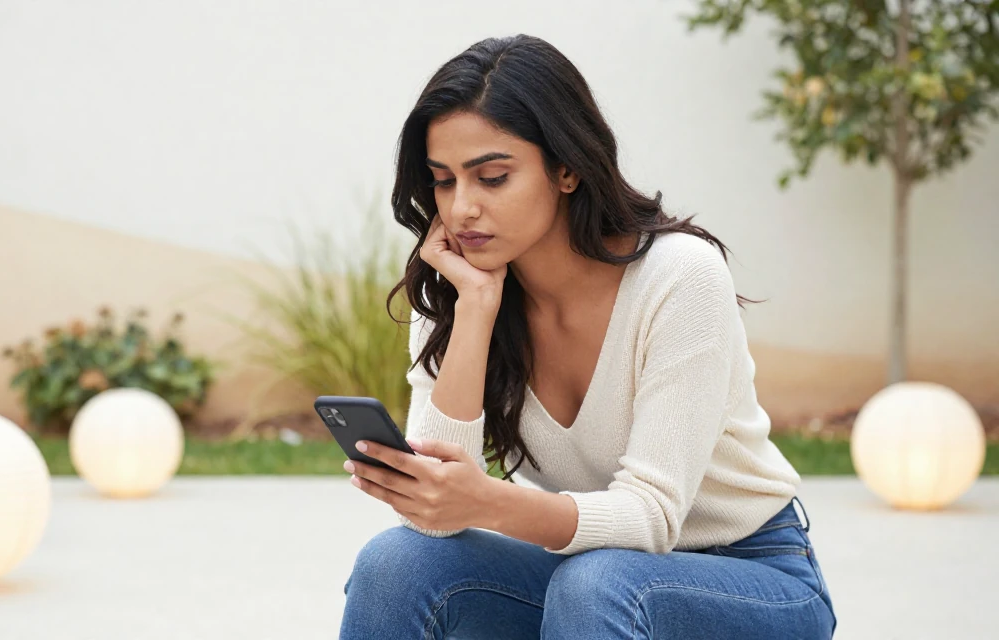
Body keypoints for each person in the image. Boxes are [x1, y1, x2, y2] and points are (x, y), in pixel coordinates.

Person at [338, 34, 837, 639]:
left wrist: (487, 502)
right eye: (444, 181)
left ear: (567, 168)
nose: (461, 208)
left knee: (594, 583)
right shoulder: (458, 291)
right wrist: (475, 311)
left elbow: (652, 518)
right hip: (595, 581)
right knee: (397, 564)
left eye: (492, 177)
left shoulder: (678, 279)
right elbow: (436, 524)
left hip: (753, 578)